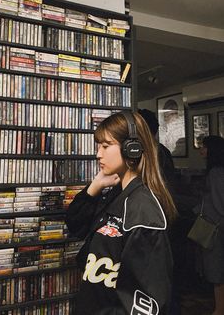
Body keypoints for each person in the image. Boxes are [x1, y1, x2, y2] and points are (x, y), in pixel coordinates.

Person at [66, 110, 177, 315]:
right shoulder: (117, 195)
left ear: (131, 149)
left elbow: (146, 302)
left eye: (106, 146)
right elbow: (75, 224)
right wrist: (96, 186)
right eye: (98, 146)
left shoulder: (143, 211)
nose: (98, 153)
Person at [194, 135, 224, 315]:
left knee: (216, 272)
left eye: (204, 147)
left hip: (215, 228)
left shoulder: (215, 173)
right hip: (218, 227)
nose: (201, 151)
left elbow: (219, 205)